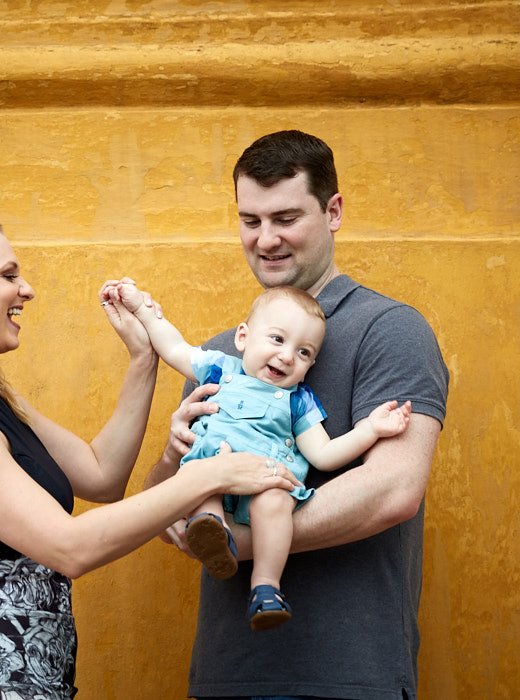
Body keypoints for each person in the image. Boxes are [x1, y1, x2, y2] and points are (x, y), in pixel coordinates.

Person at [0, 209, 301, 699]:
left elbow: (101, 475)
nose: (25, 290)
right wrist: (211, 476)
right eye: (8, 275)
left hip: (35, 684)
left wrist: (142, 359)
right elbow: (69, 548)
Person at [145, 131, 449, 699]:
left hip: (343, 675)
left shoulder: (390, 330)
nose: (266, 240)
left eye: (285, 218)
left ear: (333, 211)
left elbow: (393, 490)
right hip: (225, 673)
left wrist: (236, 540)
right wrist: (171, 456)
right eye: (250, 221)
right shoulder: (223, 353)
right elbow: (164, 517)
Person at [101, 281, 411, 631]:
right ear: (243, 338)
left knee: (277, 500)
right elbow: (173, 347)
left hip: (264, 479)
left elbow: (324, 454)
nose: (287, 356)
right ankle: (212, 529)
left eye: (304, 352)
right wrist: (142, 310)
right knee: (203, 479)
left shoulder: (299, 400)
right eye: (278, 339)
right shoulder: (220, 369)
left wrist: (370, 429)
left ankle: (266, 588)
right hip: (212, 468)